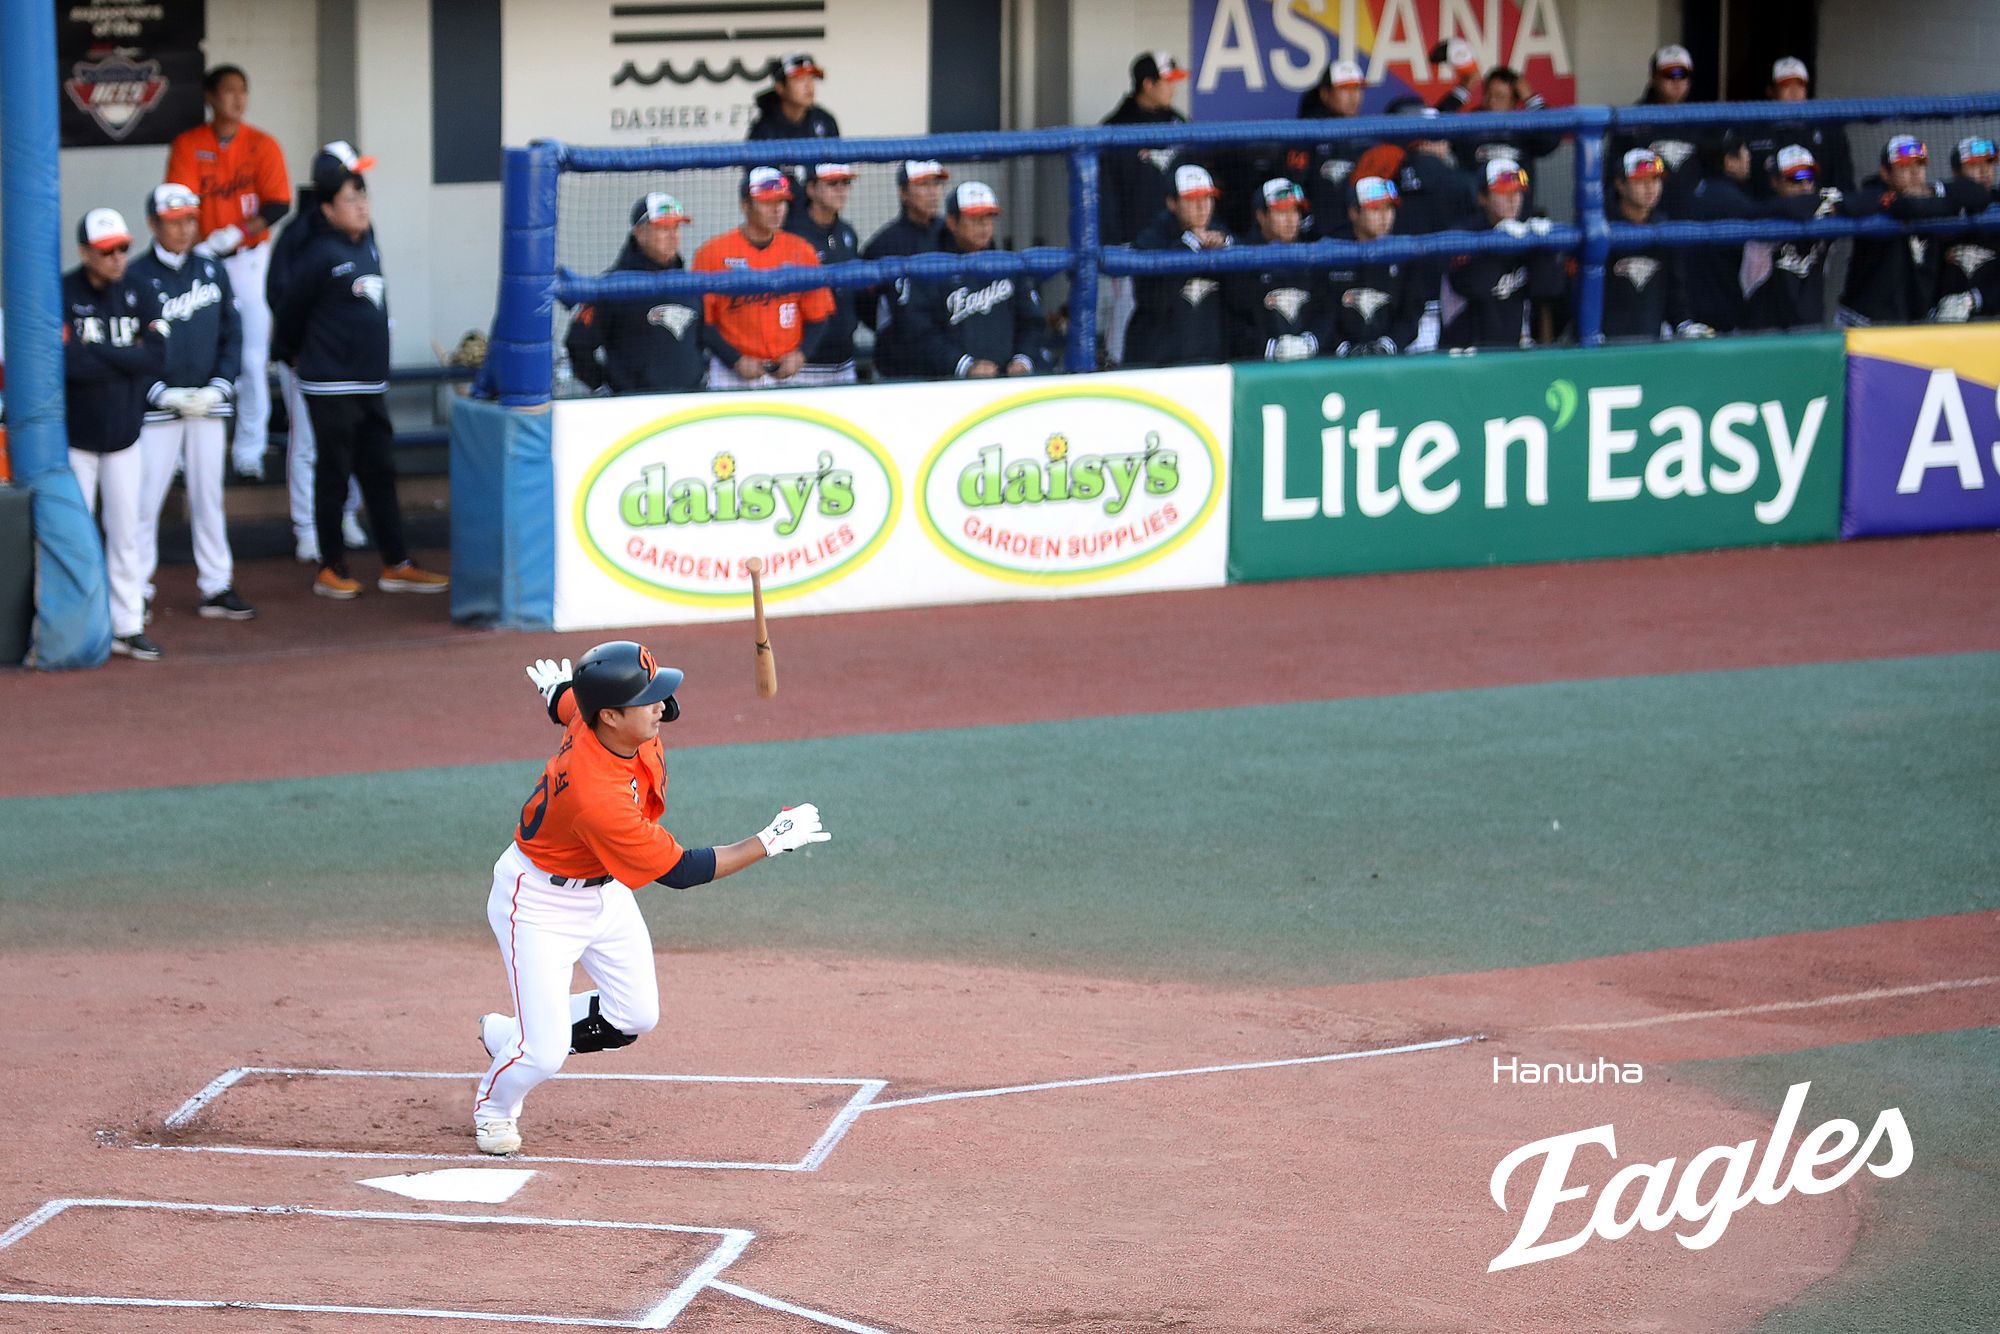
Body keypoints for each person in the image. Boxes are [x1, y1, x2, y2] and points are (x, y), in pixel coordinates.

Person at [472, 643, 831, 1157]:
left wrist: (556, 693)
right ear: (613, 716)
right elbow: (682, 872)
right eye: (649, 699)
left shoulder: (602, 720)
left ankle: (520, 1032)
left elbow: (569, 705)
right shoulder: (598, 798)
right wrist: (769, 840)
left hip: (604, 887)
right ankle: (493, 1106)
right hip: (536, 907)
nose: (662, 705)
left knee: (635, 1015)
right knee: (544, 1055)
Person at [273, 142, 450, 599]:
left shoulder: (367, 242)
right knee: (333, 472)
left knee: (379, 472)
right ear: (328, 207)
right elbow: (289, 310)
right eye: (351, 200)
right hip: (330, 383)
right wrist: (293, 353)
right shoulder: (314, 250)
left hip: (370, 380)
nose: (362, 207)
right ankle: (330, 566)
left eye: (364, 198)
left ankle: (396, 563)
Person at [126, 183, 255, 624]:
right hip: (158, 410)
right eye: (173, 220)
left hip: (207, 405)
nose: (183, 228)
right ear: (153, 223)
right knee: (145, 501)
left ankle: (216, 586)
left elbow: (232, 332)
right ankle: (135, 590)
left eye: (188, 220)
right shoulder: (136, 275)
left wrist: (220, 385)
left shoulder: (211, 269)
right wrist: (158, 390)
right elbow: (131, 344)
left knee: (209, 497)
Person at [165, 65, 291, 481]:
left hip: (251, 260)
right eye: (229, 91)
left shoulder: (262, 144)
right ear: (210, 97)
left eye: (243, 91)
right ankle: (187, 450)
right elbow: (179, 202)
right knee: (194, 354)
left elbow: (277, 204)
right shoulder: (189, 143)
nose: (237, 99)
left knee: (253, 359)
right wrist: (199, 242)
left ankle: (250, 450)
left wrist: (237, 232)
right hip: (202, 259)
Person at [63, 208, 168, 660]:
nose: (117, 258)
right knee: (74, 535)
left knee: (126, 533)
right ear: (86, 252)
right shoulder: (65, 291)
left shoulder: (141, 288)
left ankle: (127, 623)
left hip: (126, 436)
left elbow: (157, 357)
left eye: (123, 248)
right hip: (76, 441)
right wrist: (125, 356)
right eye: (107, 251)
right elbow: (67, 365)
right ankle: (76, 626)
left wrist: (99, 351)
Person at [267, 177, 365, 566]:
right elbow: (279, 296)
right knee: (307, 444)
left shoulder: (361, 234)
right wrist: (293, 350)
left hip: (350, 360)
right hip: (307, 359)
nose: (359, 200)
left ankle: (345, 515)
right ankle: (306, 529)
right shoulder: (297, 235)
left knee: (350, 441)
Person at [690, 167, 834, 389]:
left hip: (788, 371)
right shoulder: (712, 253)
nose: (777, 210)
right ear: (745, 205)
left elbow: (819, 314)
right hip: (733, 373)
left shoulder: (802, 250)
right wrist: (734, 359)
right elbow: (703, 323)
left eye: (781, 201)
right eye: (767, 202)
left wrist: (801, 355)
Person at [896, 182, 1050, 379]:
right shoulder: (930, 268)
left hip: (1008, 382)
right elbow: (920, 334)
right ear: (952, 222)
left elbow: (1032, 322)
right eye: (975, 218)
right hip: (949, 385)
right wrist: (963, 365)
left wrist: (1023, 359)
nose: (985, 226)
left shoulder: (1008, 265)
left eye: (989, 217)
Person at [1099, 51, 1192, 365]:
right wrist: (1113, 244)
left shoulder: (1179, 123)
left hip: (1174, 240)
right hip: (1131, 243)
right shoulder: (1114, 128)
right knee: (1125, 311)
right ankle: (1116, 369)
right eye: (1168, 82)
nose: (1173, 89)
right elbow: (1103, 194)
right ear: (1147, 84)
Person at [564, 193, 706, 395]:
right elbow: (578, 344)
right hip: (634, 408)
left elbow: (704, 336)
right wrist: (606, 387)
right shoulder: (611, 286)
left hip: (690, 404)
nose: (673, 236)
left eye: (676, 227)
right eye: (664, 228)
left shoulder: (689, 283)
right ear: (640, 233)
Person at [1837, 136, 1959, 327]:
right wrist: (1903, 202)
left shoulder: (1932, 197)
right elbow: (1906, 207)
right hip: (1865, 321)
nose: (1914, 173)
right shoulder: (1872, 197)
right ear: (1885, 173)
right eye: (1904, 166)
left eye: (1919, 165)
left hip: (1916, 319)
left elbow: (1976, 195)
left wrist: (1931, 197)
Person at [1442, 160, 1564, 350]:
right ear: (1482, 197)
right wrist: (1499, 241)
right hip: (1464, 351)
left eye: (1517, 191)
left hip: (1511, 348)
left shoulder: (1525, 233)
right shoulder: (1464, 234)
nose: (1513, 199)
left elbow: (1549, 289)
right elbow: (1473, 286)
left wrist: (1543, 250)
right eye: (1503, 192)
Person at [1123, 164, 1232, 368]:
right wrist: (1188, 246)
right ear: (1172, 203)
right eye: (1192, 199)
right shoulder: (1151, 239)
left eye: (1207, 197)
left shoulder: (1220, 234)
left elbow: (1241, 301)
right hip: (1157, 364)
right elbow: (1155, 301)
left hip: (1211, 363)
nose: (1202, 207)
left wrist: (1227, 247)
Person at [1601, 148, 1707, 342]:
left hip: (1650, 345)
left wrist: (1683, 323)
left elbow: (1675, 291)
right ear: (1619, 184)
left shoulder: (1665, 229)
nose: (1651, 188)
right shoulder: (1601, 230)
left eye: (1655, 179)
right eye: (1640, 180)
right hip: (1605, 346)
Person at [860, 161, 949, 379]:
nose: (933, 193)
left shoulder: (953, 235)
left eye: (936, 185)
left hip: (949, 363)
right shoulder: (883, 244)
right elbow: (863, 304)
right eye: (923, 185)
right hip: (897, 365)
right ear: (903, 193)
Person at [1740, 146, 1841, 333]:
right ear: (1775, 182)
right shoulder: (1766, 216)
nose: (1805, 186)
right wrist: (1826, 202)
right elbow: (1793, 209)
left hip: (1811, 330)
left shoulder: (1824, 216)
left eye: (1810, 178)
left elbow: (1864, 202)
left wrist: (1836, 204)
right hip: (1766, 333)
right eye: (1795, 179)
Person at [782, 164, 863, 384]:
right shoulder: (792, 234)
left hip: (845, 360)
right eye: (832, 183)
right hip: (802, 364)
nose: (840, 190)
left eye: (845, 183)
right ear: (811, 189)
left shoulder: (847, 232)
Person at [1226, 179, 1324, 362]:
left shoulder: (1313, 255)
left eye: (1295, 210)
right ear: (1261, 216)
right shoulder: (1242, 259)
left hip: (1310, 364)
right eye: (1281, 211)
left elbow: (1326, 310)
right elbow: (1233, 321)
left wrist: (1311, 342)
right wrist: (1270, 348)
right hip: (1258, 367)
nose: (1291, 219)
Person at [1328, 175, 1426, 356]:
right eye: (1375, 209)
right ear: (1354, 212)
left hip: (1390, 360)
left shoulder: (1405, 253)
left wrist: (1387, 345)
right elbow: (1323, 312)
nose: (1385, 216)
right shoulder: (1331, 251)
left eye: (1389, 208)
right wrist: (1342, 348)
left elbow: (1411, 314)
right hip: (1337, 361)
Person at [1677, 132, 1758, 334]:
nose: (1749, 157)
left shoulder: (1691, 193)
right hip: (1725, 313)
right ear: (1729, 161)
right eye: (1743, 151)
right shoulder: (1734, 201)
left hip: (1689, 311)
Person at [1744, 59, 1856, 200]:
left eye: (1800, 85)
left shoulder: (1829, 130)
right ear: (1771, 91)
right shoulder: (1753, 131)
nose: (1794, 92)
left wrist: (1831, 207)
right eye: (1786, 86)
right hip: (1768, 215)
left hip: (1818, 214)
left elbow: (1844, 183)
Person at [1622, 45, 1708, 218]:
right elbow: (1615, 176)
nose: (1677, 81)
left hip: (1692, 217)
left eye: (1683, 74)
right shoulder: (1632, 119)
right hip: (1648, 219)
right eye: (1669, 74)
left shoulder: (1701, 117)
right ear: (1653, 78)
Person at [1935, 137, 1999, 322]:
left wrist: (1975, 299)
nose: (1984, 171)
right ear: (1956, 172)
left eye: (1989, 162)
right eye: (1973, 164)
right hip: (1945, 320)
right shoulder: (1941, 209)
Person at [747, 51, 838, 140]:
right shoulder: (764, 129)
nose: (809, 85)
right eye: (800, 79)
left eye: (811, 78)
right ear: (780, 87)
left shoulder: (825, 120)